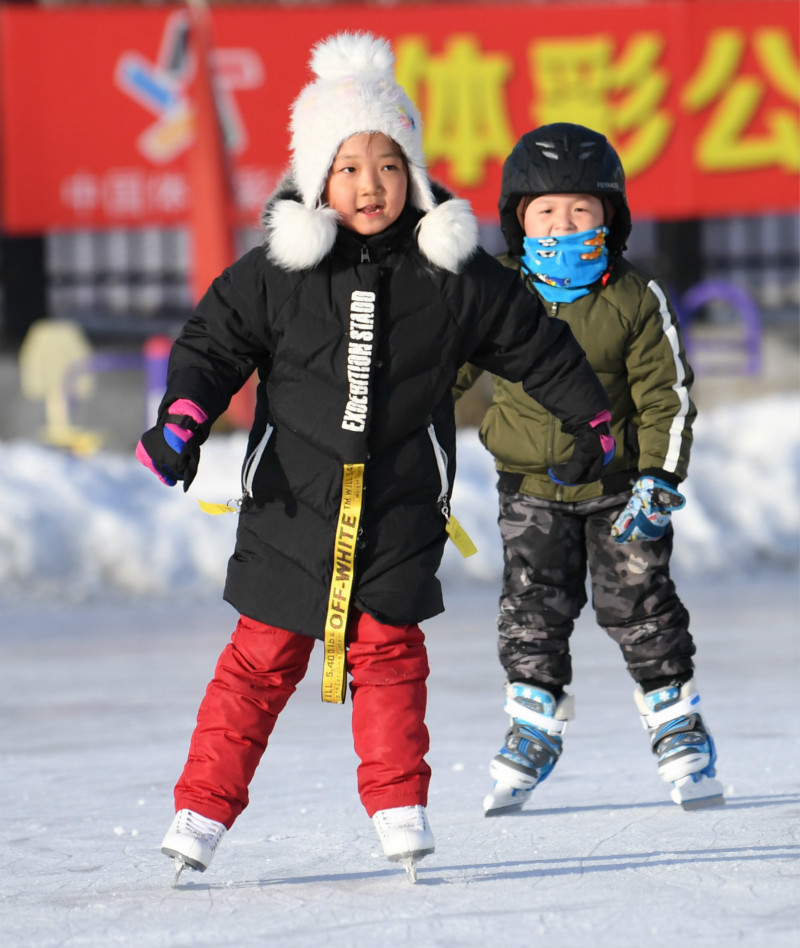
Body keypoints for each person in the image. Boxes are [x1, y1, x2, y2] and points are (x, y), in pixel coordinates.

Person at [137, 37, 613, 885]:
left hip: (399, 506)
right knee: (257, 664)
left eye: (389, 165)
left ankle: (399, 810)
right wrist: (182, 417)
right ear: (317, 176)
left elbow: (535, 347)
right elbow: (211, 346)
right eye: (349, 166)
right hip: (291, 508)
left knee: (389, 654)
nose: (369, 185)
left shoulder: (453, 274)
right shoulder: (276, 275)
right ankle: (200, 811)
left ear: (416, 176)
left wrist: (594, 417)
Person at [454, 123, 724, 817]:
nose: (562, 224)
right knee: (531, 608)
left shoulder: (636, 296)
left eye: (580, 210)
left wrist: (660, 479)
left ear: (611, 215)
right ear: (517, 219)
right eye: (544, 212)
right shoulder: (498, 292)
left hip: (621, 490)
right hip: (530, 489)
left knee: (638, 600)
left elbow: (667, 393)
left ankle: (674, 717)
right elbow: (443, 371)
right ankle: (533, 723)